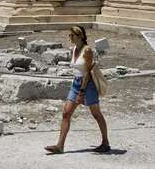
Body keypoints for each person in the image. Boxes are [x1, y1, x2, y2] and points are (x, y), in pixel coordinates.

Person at [45, 26, 110, 154]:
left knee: (96, 114)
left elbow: (87, 73)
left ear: (80, 36)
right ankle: (60, 146)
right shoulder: (74, 49)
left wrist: (81, 92)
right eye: (70, 35)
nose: (70, 38)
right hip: (76, 83)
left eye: (72, 35)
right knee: (66, 113)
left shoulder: (87, 51)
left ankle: (105, 142)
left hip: (87, 85)